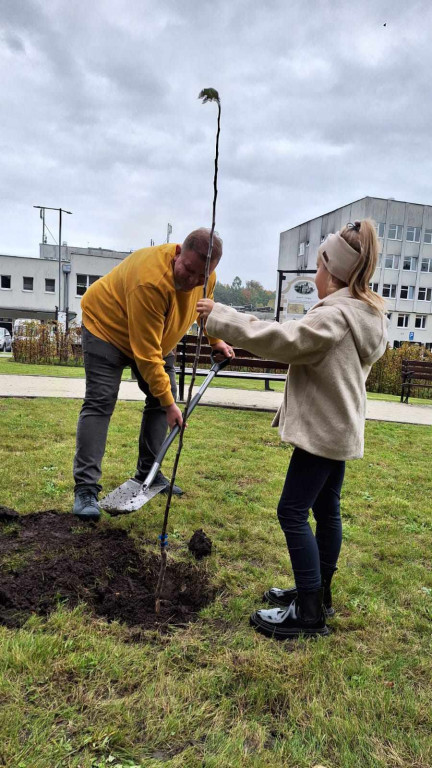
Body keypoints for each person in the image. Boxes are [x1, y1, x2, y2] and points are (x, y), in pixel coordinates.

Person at [197, 220, 387, 640]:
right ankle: (318, 594)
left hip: (323, 434)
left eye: (317, 268)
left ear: (332, 271)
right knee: (326, 510)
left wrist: (223, 318)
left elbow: (283, 340)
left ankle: (308, 611)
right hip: (338, 431)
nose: (314, 277)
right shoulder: (363, 315)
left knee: (291, 511)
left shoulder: (335, 317)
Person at [73, 228, 233, 521]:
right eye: (189, 270)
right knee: (100, 402)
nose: (194, 280)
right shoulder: (149, 280)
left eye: (203, 275)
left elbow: (203, 311)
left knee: (162, 402)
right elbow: (146, 355)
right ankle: (85, 489)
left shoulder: (204, 276)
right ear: (177, 254)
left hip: (156, 336)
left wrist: (215, 340)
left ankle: (150, 474)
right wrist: (170, 404)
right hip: (106, 327)